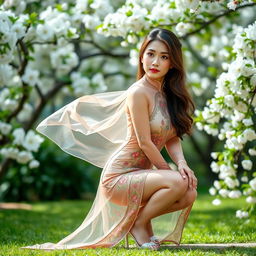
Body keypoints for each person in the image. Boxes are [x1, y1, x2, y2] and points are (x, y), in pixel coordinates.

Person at [23, 28, 197, 251]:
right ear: (141, 56)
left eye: (164, 57)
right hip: (119, 177)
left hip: (143, 175)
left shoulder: (168, 95)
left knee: (189, 191)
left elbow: (172, 137)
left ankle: (136, 221)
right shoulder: (138, 92)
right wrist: (167, 172)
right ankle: (140, 224)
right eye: (150, 54)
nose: (155, 61)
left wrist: (182, 165)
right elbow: (144, 141)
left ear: (173, 63)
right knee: (177, 182)